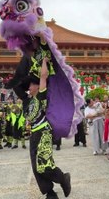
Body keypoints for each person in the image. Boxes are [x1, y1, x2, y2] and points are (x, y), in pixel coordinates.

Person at [14, 57, 71, 199]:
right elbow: (16, 85)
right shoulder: (26, 101)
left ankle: (63, 178)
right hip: (33, 134)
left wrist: (44, 62)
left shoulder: (41, 96)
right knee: (35, 167)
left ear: (37, 87)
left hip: (44, 131)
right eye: (29, 85)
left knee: (44, 165)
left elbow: (43, 77)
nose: (29, 87)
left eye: (32, 85)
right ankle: (50, 194)